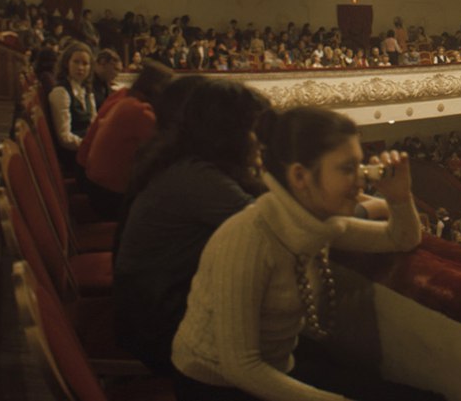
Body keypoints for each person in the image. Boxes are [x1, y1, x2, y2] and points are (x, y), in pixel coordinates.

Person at [171, 105, 423, 400]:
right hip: (214, 386)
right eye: (346, 169)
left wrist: (399, 197)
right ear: (300, 177)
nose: (361, 181)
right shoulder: (248, 238)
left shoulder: (321, 223)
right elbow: (240, 365)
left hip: (277, 365)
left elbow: (401, 238)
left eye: (360, 166)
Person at [114, 80, 269, 373]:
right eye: (256, 130)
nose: (261, 141)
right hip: (158, 326)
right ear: (231, 133)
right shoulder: (197, 179)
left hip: (149, 306)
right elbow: (271, 228)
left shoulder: (186, 160)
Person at [77, 60, 174, 218]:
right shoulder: (139, 111)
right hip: (109, 197)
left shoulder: (124, 98)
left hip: (94, 183)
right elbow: (169, 148)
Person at [47, 41, 97, 176]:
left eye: (85, 64)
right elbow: (64, 138)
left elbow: (94, 123)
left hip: (86, 151)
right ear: (66, 63)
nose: (80, 68)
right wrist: (92, 147)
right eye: (76, 62)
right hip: (74, 158)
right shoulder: (61, 92)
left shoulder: (86, 91)